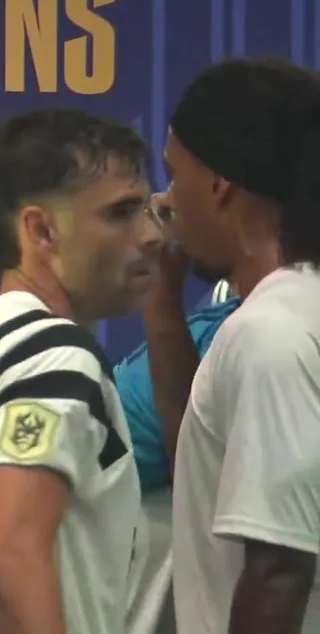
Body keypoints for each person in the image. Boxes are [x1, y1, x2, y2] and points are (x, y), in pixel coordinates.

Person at [164, 58, 320, 633]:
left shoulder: (269, 332)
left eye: (174, 176)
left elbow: (278, 569)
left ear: (219, 184)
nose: (167, 202)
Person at [115, 187, 247, 634]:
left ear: (228, 192)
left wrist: (160, 300)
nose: (163, 201)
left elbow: (200, 477)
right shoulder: (220, 318)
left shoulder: (261, 340)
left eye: (179, 180)